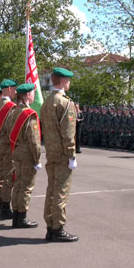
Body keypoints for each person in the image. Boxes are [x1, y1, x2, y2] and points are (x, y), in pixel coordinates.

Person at [41, 67, 78, 242]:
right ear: (63, 81)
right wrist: (72, 155)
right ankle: (58, 228)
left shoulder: (47, 101)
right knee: (61, 191)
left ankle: (50, 226)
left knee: (51, 190)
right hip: (63, 153)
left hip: (51, 151)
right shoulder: (65, 103)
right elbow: (68, 133)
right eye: (68, 80)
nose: (69, 83)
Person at [6, 83, 40, 228]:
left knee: (18, 184)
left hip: (16, 151)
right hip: (27, 154)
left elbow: (8, 129)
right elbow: (34, 140)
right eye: (33, 93)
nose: (34, 95)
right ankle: (22, 217)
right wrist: (37, 158)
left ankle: (16, 216)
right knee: (26, 186)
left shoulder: (13, 111)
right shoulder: (29, 114)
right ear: (27, 96)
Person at [0, 79, 18, 220]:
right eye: (14, 89)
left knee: (1, 175)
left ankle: (1, 206)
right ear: (9, 88)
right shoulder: (10, 107)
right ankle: (4, 208)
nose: (15, 92)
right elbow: (11, 129)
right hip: (8, 146)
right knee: (8, 177)